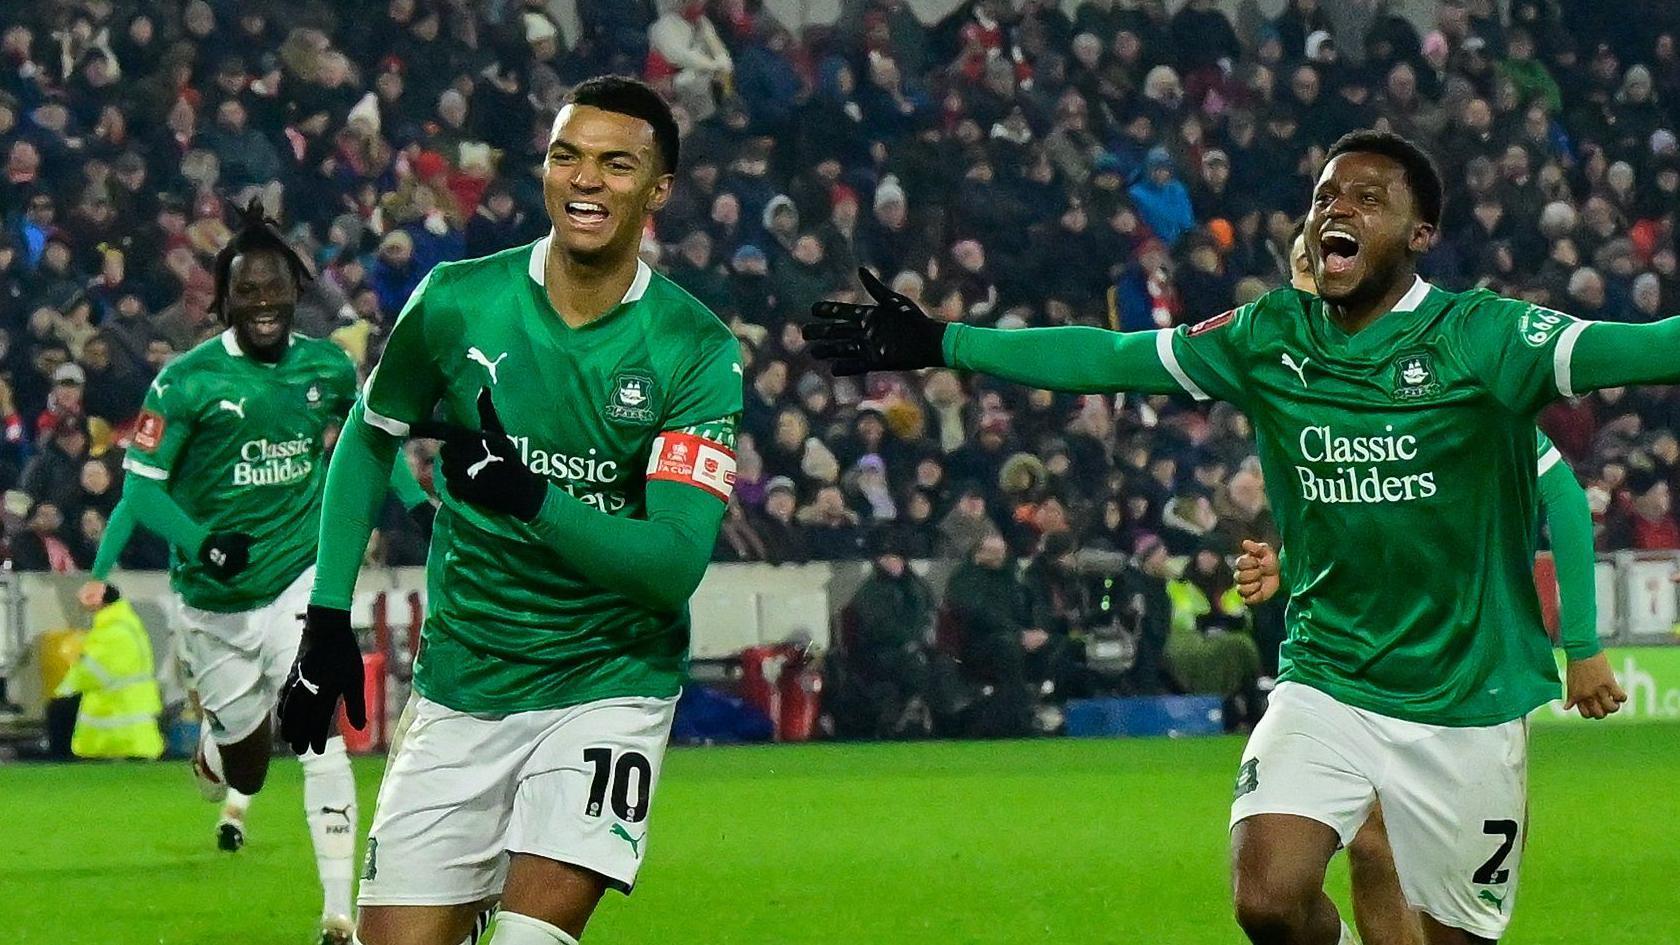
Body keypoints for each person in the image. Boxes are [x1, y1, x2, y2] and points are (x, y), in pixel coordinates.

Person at [805, 129, 1673, 944]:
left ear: (1419, 234)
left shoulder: (1485, 338)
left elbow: (1642, 349)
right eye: (1326, 194)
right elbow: (1111, 358)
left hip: (1465, 702)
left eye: (1368, 198)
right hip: (1328, 676)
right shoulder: (1269, 338)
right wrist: (944, 341)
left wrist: (1586, 643)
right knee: (1266, 897)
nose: (1337, 208)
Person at [278, 77, 742, 945]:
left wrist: (531, 497)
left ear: (658, 189)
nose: (586, 180)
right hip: (465, 678)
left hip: (608, 683)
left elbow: (675, 562)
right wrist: (329, 617)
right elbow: (370, 433)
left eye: (615, 163)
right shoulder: (457, 299)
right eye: (567, 157)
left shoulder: (697, 350)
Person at [1236, 219, 1622, 944]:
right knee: (1350, 855)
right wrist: (1286, 565)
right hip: (1342, 672)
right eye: (1301, 274)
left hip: (1459, 674)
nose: (1309, 291)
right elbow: (1356, 522)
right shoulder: (1297, 376)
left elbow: (1562, 494)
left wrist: (1582, 642)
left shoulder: (1453, 384)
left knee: (1394, 859)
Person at [81, 201, 434, 945]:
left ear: (295, 292)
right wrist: (204, 543)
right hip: (213, 601)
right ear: (225, 299)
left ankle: (341, 915)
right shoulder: (185, 381)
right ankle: (217, 748)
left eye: (276, 288)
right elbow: (141, 488)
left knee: (321, 730)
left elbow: (373, 439)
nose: (265, 302)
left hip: (301, 579)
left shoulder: (328, 365)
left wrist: (415, 503)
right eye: (249, 291)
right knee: (245, 766)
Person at [53, 583, 164, 760]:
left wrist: (65, 687)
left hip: (118, 726)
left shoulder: (112, 630)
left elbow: (93, 672)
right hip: (128, 723)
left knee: (58, 709)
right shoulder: (123, 623)